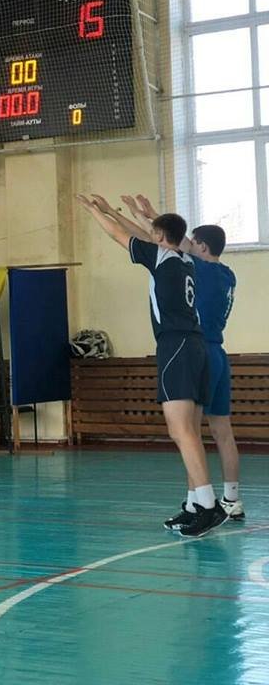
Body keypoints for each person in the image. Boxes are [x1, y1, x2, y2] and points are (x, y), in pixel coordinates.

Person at [76, 194, 227, 538]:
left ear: (159, 237)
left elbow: (120, 235)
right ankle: (195, 504)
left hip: (176, 345)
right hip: (197, 346)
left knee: (180, 431)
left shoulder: (162, 257)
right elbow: (144, 235)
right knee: (190, 431)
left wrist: (95, 212)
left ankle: (209, 506)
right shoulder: (185, 259)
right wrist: (117, 211)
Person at [123, 196, 242, 525]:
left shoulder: (194, 266)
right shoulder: (227, 275)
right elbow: (170, 241)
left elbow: (166, 244)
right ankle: (231, 500)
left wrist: (148, 219)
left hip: (195, 350)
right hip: (218, 353)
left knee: (189, 431)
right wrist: (150, 215)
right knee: (222, 432)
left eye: (194, 242)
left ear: (201, 247)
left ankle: (202, 504)